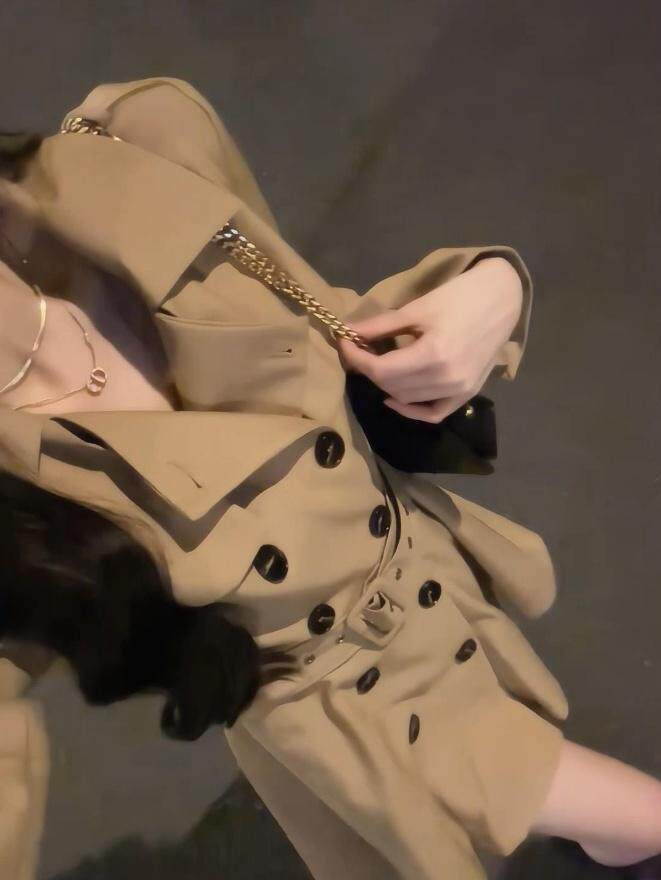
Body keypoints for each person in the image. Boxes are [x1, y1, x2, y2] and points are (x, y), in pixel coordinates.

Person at [0, 77, 660, 880]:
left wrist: (490, 288)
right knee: (617, 808)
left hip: (425, 552)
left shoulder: (132, 142)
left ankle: (612, 839)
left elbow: (325, 319)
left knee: (589, 799)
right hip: (350, 705)